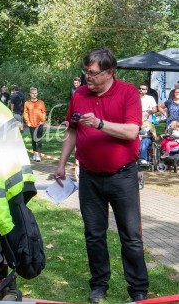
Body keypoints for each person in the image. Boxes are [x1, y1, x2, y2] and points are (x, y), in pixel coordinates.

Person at [54, 48, 148, 303]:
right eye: (85, 72)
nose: (87, 78)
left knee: (131, 235)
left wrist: (100, 124)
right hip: (90, 178)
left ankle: (138, 289)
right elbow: (72, 130)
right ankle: (98, 285)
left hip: (122, 177)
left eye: (93, 73)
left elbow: (131, 132)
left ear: (109, 72)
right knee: (94, 234)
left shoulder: (128, 93)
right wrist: (61, 164)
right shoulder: (80, 94)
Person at [23, 87, 46, 162]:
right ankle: (34, 153)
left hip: (39, 124)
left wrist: (42, 121)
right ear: (30, 94)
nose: (34, 95)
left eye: (35, 93)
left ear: (37, 93)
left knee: (39, 139)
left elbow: (44, 112)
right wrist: (28, 122)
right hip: (31, 124)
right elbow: (25, 113)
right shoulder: (27, 103)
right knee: (33, 139)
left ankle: (38, 155)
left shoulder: (41, 102)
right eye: (33, 93)